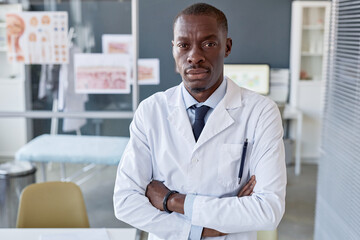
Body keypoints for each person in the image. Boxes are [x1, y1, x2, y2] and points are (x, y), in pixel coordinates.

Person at [114, 3, 286, 240]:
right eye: (183, 45)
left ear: (226, 47)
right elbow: (125, 201)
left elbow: (268, 210)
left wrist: (172, 201)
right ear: (173, 49)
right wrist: (199, 231)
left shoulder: (260, 112)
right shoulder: (151, 111)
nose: (194, 56)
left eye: (208, 44)